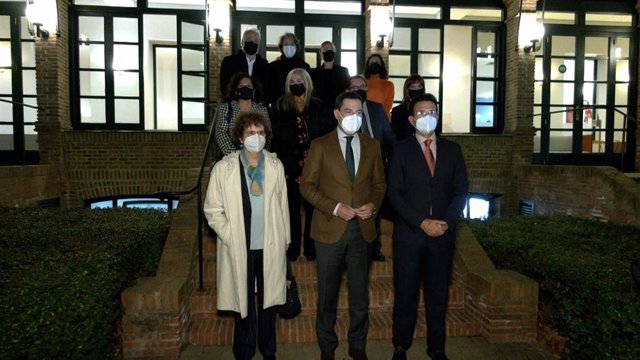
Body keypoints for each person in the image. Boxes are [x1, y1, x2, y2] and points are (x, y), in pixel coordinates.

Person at [300, 91, 387, 360]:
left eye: (358, 112)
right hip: (329, 230)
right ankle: (327, 346)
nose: (354, 117)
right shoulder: (320, 145)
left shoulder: (372, 145)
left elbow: (379, 185)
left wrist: (373, 205)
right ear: (337, 114)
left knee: (360, 295)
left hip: (362, 230)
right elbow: (307, 187)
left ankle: (357, 344)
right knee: (327, 296)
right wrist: (336, 208)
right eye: (348, 111)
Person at [387, 93, 468, 360]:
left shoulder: (453, 151)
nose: (427, 117)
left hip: (442, 237)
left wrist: (445, 223)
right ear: (411, 120)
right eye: (421, 114)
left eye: (432, 112)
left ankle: (437, 348)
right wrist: (421, 222)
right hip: (410, 236)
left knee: (437, 296)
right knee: (406, 293)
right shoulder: (400, 150)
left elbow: (460, 192)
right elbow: (394, 195)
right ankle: (401, 345)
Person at [204, 111, 290, 360]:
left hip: (269, 244)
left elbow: (283, 204)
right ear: (240, 138)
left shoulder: (275, 165)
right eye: (250, 133)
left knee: (269, 302)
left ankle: (268, 350)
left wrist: (286, 238)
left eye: (260, 133)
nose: (256, 137)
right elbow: (212, 209)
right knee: (242, 304)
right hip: (239, 245)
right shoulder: (224, 168)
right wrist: (229, 234)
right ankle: (243, 351)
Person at [271, 68, 334, 262]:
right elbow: (276, 137)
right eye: (292, 81)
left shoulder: (319, 106)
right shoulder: (280, 106)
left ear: (307, 83)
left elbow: (326, 135)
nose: (296, 84)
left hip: (314, 165)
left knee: (313, 208)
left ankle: (310, 247)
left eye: (299, 80)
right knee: (291, 209)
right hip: (290, 165)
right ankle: (293, 248)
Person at [347, 75, 396, 261]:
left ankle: (375, 248)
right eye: (354, 87)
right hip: (353, 167)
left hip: (377, 166)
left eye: (362, 86)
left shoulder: (376, 109)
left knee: (375, 206)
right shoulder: (345, 111)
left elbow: (389, 136)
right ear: (348, 90)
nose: (359, 89)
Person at [215, 72, 271, 157]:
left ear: (254, 91)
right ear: (236, 90)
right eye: (241, 86)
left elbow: (268, 135)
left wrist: (260, 155)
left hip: (258, 157)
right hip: (232, 158)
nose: (245, 88)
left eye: (249, 86)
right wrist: (236, 156)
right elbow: (220, 133)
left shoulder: (262, 110)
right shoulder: (226, 108)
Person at [219, 28, 269, 98]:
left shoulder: (264, 65)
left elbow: (267, 88)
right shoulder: (229, 62)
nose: (252, 42)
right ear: (242, 42)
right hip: (235, 104)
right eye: (249, 39)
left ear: (259, 45)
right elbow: (224, 86)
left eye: (256, 40)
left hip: (257, 105)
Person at [266, 33, 311, 103]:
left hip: (300, 104)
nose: (289, 47)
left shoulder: (304, 66)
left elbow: (308, 88)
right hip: (279, 106)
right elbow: (270, 90)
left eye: (292, 44)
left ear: (296, 46)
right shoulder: (273, 66)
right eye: (286, 44)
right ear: (281, 47)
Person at [311, 41, 351, 107]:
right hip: (319, 108)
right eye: (326, 49)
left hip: (338, 107)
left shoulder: (343, 71)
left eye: (331, 49)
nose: (329, 51)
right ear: (320, 53)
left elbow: (347, 89)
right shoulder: (314, 73)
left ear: (335, 52)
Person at [391, 74, 425, 141]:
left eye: (419, 86)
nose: (416, 90)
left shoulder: (429, 109)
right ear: (407, 90)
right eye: (413, 87)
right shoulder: (397, 111)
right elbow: (395, 135)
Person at [364, 54, 394, 118]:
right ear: (368, 66)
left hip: (383, 119)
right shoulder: (362, 83)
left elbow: (388, 106)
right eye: (372, 62)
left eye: (377, 62)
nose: (374, 64)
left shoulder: (389, 85)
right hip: (365, 118)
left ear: (381, 65)